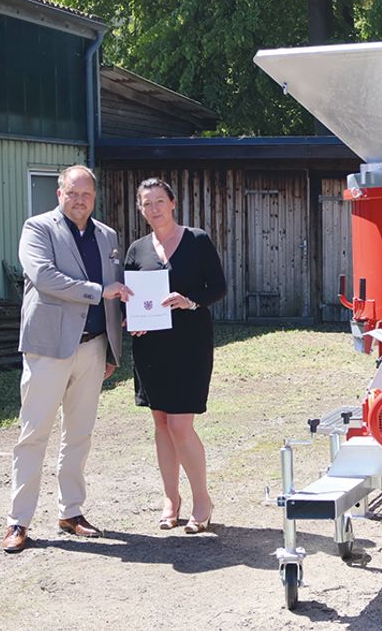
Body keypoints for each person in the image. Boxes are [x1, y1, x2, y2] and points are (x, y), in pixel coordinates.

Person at [2, 164, 132, 553]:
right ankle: (18, 521)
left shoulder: (107, 235)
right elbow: (44, 277)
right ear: (59, 194)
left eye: (86, 194)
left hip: (92, 349)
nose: (79, 200)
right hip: (48, 348)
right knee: (33, 434)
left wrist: (113, 346)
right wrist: (98, 291)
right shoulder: (37, 228)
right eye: (72, 193)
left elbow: (117, 295)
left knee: (80, 434)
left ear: (95, 197)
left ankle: (71, 511)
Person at [124, 178, 226, 534]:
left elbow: (218, 287)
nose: (153, 209)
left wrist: (189, 300)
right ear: (141, 209)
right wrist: (131, 319)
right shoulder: (136, 249)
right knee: (161, 424)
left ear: (172, 203)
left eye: (159, 201)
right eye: (146, 203)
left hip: (190, 343)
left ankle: (202, 500)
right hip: (150, 348)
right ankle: (171, 500)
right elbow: (133, 297)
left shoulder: (197, 240)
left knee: (181, 425)